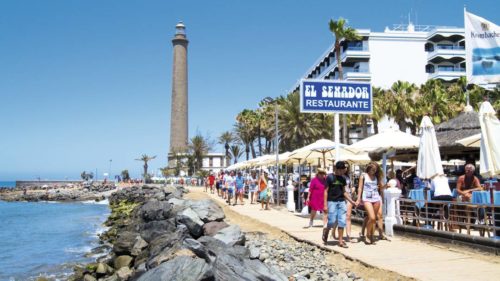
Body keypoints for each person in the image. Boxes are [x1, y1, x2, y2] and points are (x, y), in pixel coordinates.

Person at [323, 161, 357, 248]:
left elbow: (344, 192)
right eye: (342, 170)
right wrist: (325, 204)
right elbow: (325, 191)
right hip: (331, 201)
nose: (343, 172)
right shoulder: (329, 177)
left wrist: (351, 201)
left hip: (341, 201)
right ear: (337, 169)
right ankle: (326, 231)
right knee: (332, 221)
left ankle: (340, 241)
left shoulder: (343, 179)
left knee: (342, 221)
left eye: (344, 170)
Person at [356, 162, 383, 245]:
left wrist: (386, 187)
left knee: (374, 219)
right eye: (372, 169)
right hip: (366, 198)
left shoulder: (377, 177)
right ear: (368, 168)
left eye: (375, 170)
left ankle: (371, 235)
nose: (373, 171)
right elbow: (360, 188)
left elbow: (381, 187)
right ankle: (368, 234)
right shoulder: (363, 176)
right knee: (372, 217)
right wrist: (358, 199)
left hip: (376, 198)